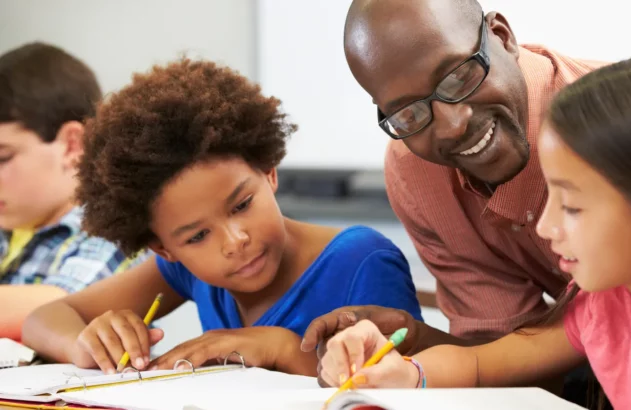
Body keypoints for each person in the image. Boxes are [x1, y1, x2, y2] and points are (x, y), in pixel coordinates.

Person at [301, 0, 631, 386]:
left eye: (459, 76)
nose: (453, 124)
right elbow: (494, 359)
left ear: (502, 37)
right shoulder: (600, 311)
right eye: (408, 113)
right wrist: (413, 352)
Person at [21, 58, 423, 376]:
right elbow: (44, 318)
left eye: (242, 205)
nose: (235, 241)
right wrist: (85, 345)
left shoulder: (361, 260)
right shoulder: (183, 270)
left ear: (268, 171)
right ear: (164, 248)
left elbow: (407, 382)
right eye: (197, 236)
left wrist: (281, 349)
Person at [0, 42, 144, 341]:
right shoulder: (10, 225)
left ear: (71, 145)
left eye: (3, 158)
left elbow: (67, 309)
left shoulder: (114, 228)